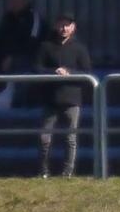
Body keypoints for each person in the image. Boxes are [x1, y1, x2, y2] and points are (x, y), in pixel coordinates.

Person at [35, 13, 91, 178]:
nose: (64, 28)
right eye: (61, 24)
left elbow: (86, 71)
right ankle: (43, 170)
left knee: (70, 137)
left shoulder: (79, 48)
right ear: (55, 26)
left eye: (67, 25)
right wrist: (54, 72)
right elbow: (37, 68)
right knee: (44, 137)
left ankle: (68, 171)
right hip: (50, 98)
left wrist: (69, 73)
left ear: (73, 27)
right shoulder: (46, 46)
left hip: (72, 98)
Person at [0, 0, 45, 110]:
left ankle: (15, 104)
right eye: (12, 1)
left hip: (28, 60)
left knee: (20, 67)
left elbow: (32, 44)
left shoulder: (33, 18)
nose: (14, 4)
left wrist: (12, 57)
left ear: (25, 1)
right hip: (5, 58)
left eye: (18, 0)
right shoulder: (7, 19)